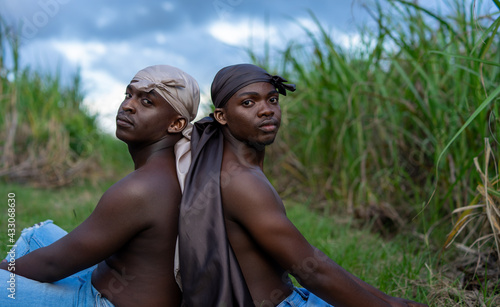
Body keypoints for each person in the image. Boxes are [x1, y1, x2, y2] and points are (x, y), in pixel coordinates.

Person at [178, 63, 427, 307]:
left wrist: (391, 301)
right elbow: (311, 272)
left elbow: (311, 259)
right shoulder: (242, 182)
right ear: (221, 116)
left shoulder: (239, 169)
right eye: (248, 102)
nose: (267, 110)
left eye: (272, 100)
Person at [0, 64, 200, 306]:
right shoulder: (174, 172)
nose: (127, 105)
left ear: (176, 124)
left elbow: (52, 265)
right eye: (129, 95)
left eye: (147, 102)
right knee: (36, 236)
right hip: (100, 281)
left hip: (102, 302)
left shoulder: (141, 188)